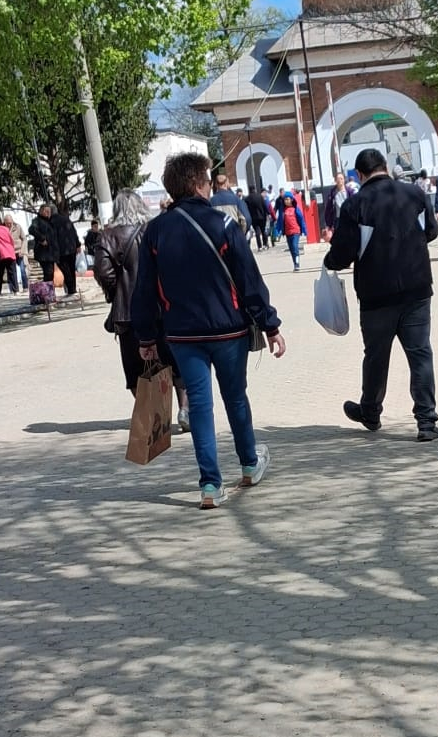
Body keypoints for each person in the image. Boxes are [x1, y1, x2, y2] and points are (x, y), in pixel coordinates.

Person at [131, 151, 286, 509]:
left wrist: (146, 337)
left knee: (199, 405)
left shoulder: (154, 232)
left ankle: (210, 486)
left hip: (182, 335)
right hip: (228, 330)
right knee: (235, 398)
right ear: (199, 184)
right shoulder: (224, 225)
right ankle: (249, 464)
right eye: (206, 179)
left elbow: (144, 291)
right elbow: (250, 280)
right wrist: (270, 324)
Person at [324, 149, 438, 442]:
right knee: (420, 354)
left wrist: (330, 262)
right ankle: (426, 422)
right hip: (416, 289)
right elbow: (431, 231)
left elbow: (342, 254)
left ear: (360, 175)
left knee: (376, 356)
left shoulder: (355, 205)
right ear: (385, 167)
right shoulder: (414, 194)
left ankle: (371, 412)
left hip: (376, 295)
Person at [94, 190, 189, 431]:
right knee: (174, 360)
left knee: (136, 366)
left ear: (117, 210)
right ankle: (185, 409)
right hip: (162, 306)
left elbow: (103, 272)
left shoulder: (108, 236)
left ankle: (158, 415)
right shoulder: (155, 229)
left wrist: (119, 292)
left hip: (127, 312)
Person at [210, 172, 253, 236]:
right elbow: (246, 219)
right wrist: (241, 234)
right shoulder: (236, 200)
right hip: (234, 236)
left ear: (216, 184)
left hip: (219, 238)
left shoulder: (210, 201)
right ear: (227, 183)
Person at [52, 205, 82, 297]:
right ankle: (72, 288)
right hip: (71, 248)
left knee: (66, 270)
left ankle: (71, 290)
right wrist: (78, 244)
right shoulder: (66, 219)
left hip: (61, 250)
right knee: (71, 269)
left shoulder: (51, 222)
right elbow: (73, 232)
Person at [274, 189, 307, 271]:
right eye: (285, 199)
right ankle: (295, 264)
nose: (286, 201)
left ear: (292, 200)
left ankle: (297, 263)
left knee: (295, 247)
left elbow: (301, 219)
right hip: (288, 233)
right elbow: (279, 222)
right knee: (292, 249)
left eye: (288, 199)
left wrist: (304, 230)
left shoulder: (295, 209)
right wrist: (277, 232)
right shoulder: (283, 211)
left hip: (296, 231)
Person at [29, 203, 58, 284]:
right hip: (43, 253)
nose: (48, 213)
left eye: (49, 211)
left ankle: (49, 292)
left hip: (51, 252)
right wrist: (42, 239)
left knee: (50, 273)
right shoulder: (37, 220)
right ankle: (48, 292)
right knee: (48, 272)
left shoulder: (51, 222)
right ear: (41, 211)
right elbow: (31, 229)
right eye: (46, 211)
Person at [3, 213, 27, 292]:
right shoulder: (3, 229)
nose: (9, 225)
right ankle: (13, 289)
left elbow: (24, 239)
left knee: (22, 270)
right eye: (7, 223)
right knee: (12, 272)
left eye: (10, 223)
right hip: (9, 253)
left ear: (12, 221)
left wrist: (22, 251)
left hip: (19, 251)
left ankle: (25, 287)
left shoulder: (18, 227)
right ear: (5, 222)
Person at [245, 186, 270, 250]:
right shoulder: (260, 196)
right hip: (262, 216)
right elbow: (264, 206)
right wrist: (268, 213)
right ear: (255, 189)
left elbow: (246, 209)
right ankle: (265, 244)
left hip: (253, 217)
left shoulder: (247, 199)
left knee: (257, 232)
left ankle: (259, 246)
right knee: (263, 230)